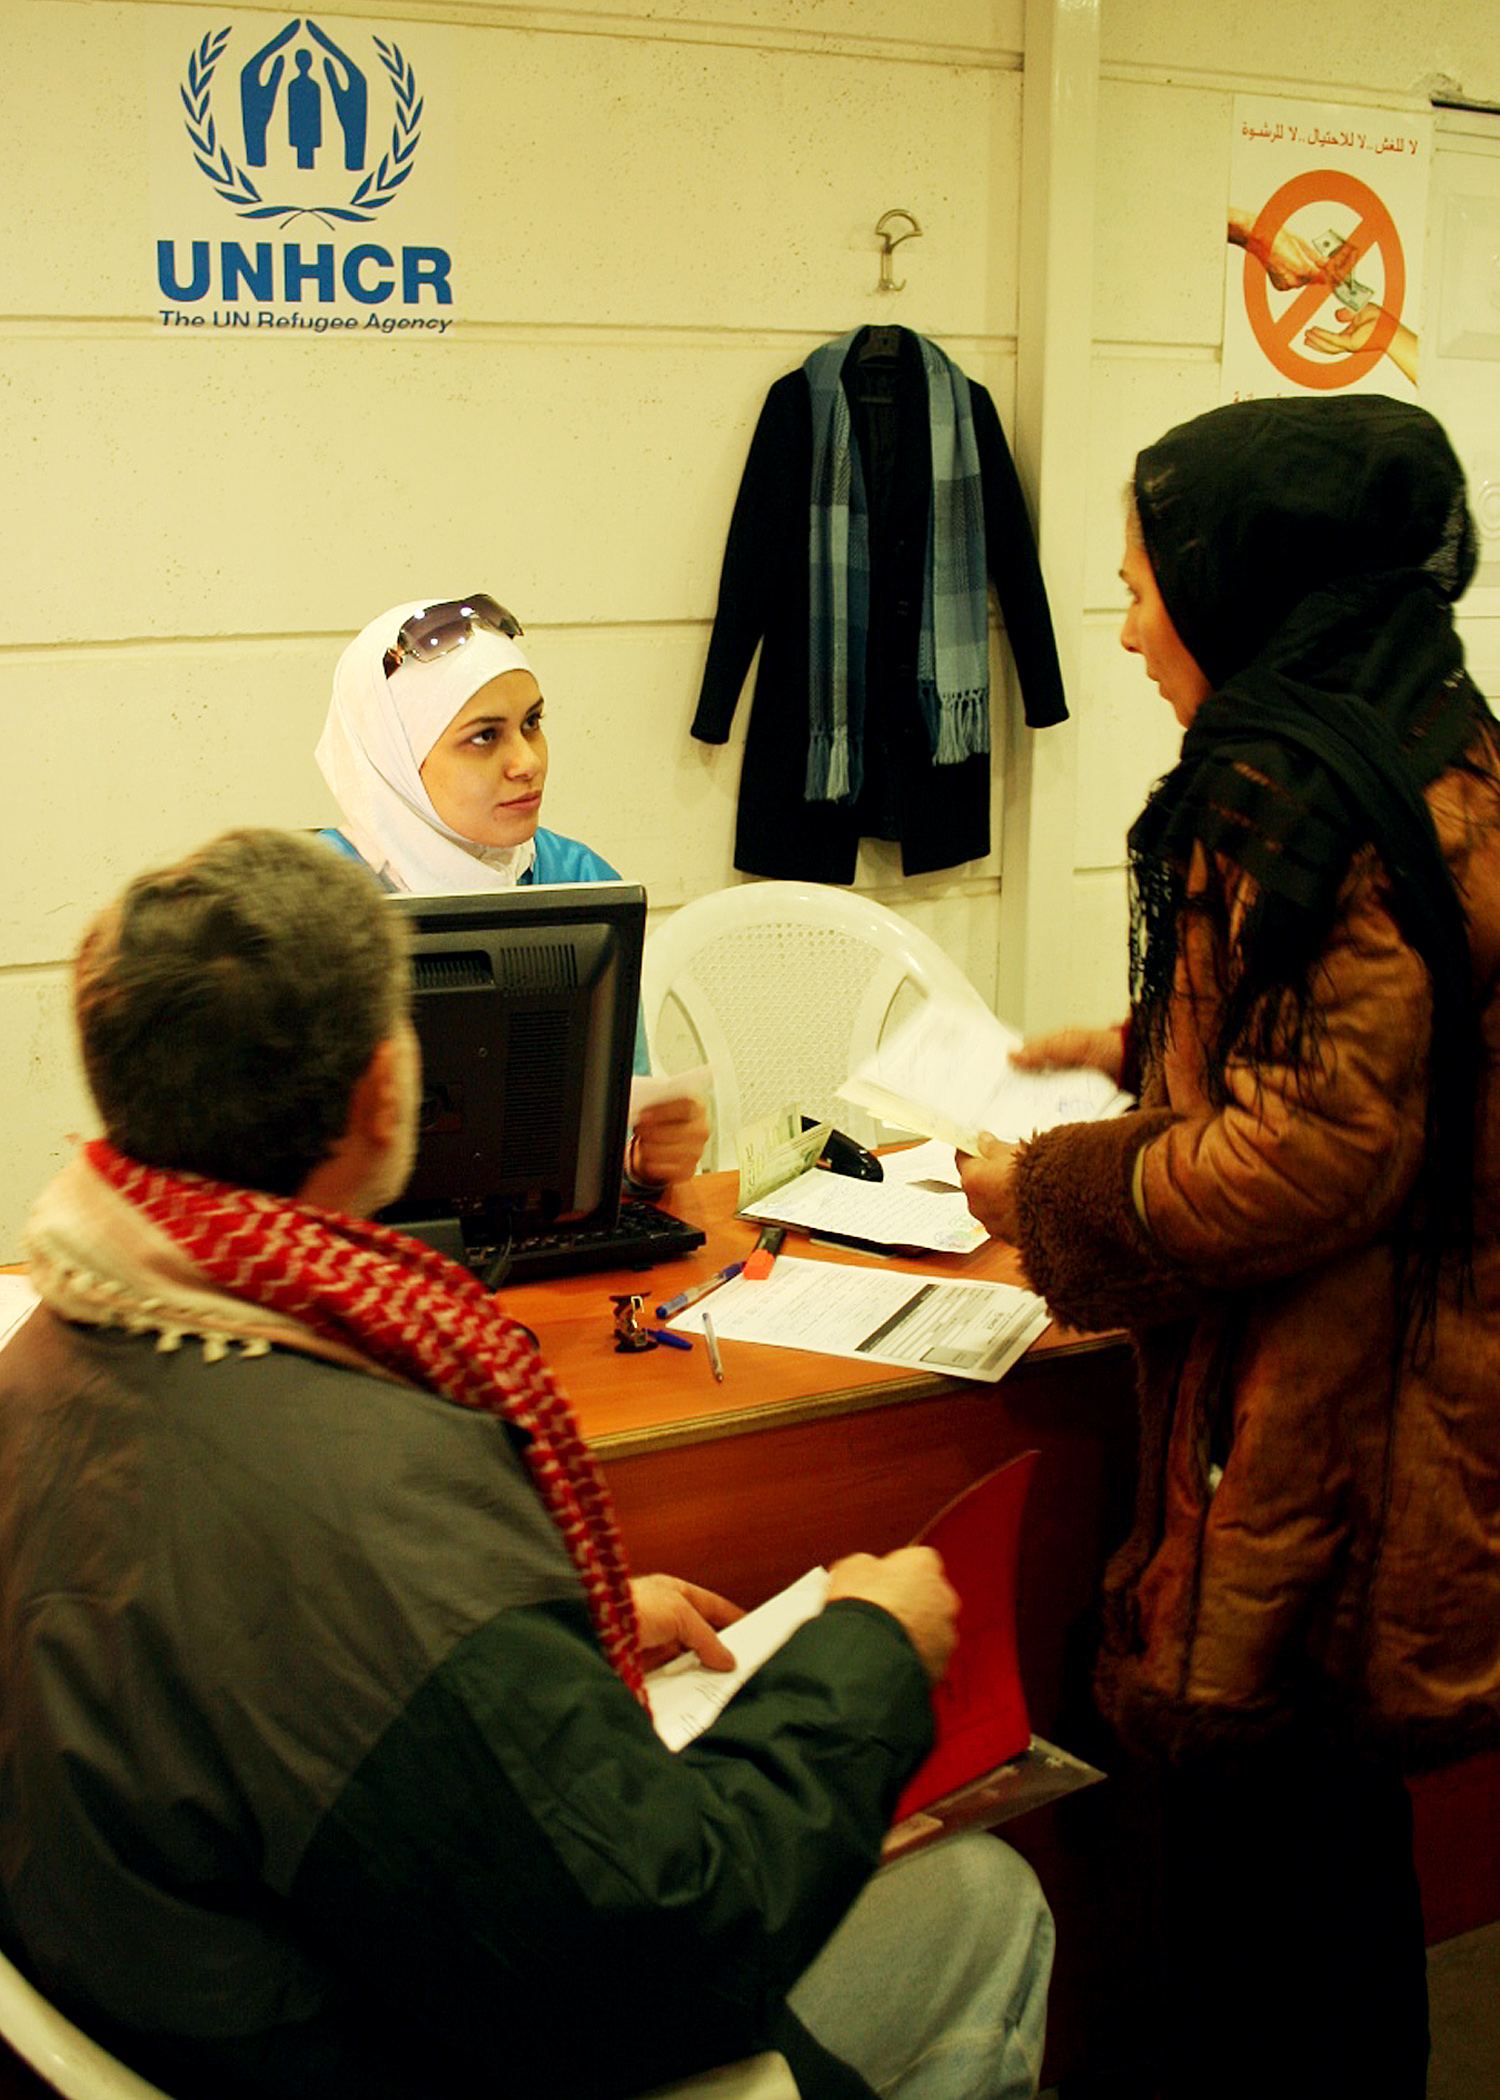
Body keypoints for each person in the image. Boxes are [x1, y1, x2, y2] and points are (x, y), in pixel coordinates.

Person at [0, 828, 1053, 2100]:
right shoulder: (365, 1497)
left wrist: (541, 1635)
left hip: (194, 2005)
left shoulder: (61, 1347)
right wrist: (868, 1657)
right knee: (983, 1898)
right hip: (403, 2048)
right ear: (389, 1087)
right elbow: (666, 1943)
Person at [956, 396, 1500, 2100]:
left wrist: (1048, 1194)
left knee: (1266, 1920)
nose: (1122, 628)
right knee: (1334, 1894)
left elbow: (1322, 1147)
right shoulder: (1432, 749)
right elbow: (1397, 1045)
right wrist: (1145, 1049)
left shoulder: (1283, 786)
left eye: (1142, 584)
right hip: (1403, 1412)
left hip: (1304, 1449)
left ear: (1242, 582)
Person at [316, 592, 707, 1191]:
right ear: (396, 760)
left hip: (547, 1243)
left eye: (532, 723)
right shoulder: (311, 904)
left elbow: (613, 1125)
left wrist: (641, 1165)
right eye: (484, 737)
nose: (527, 761)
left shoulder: (578, 879)